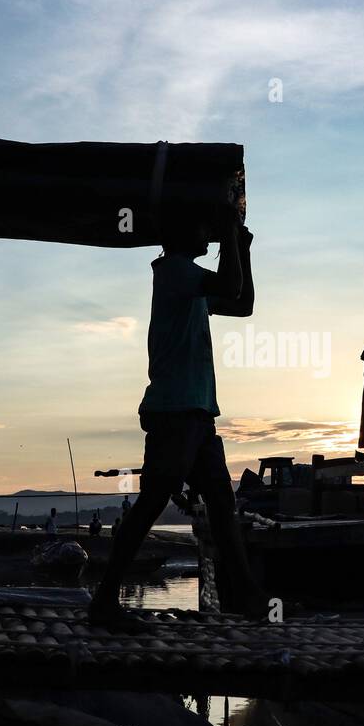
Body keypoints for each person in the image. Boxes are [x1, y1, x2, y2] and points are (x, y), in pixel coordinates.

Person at [89, 207, 270, 627]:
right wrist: (229, 237)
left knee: (222, 503)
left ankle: (247, 597)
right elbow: (229, 282)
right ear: (181, 232)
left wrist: (239, 247)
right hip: (176, 411)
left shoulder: (190, 281)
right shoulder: (174, 271)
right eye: (203, 224)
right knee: (153, 500)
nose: (206, 233)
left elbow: (242, 303)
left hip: (197, 412)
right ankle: (104, 599)